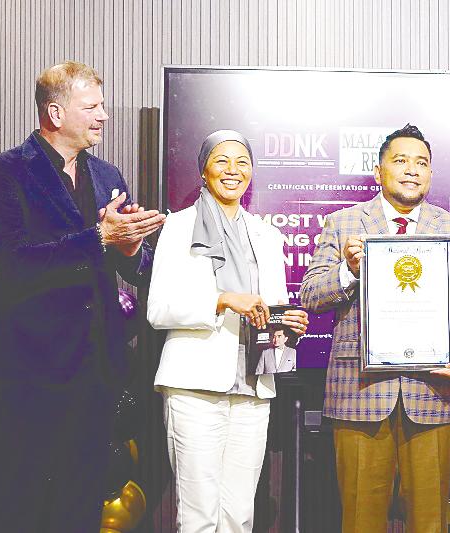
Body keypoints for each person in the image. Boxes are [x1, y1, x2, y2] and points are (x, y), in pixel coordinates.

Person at [0, 61, 165, 531]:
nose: (104, 116)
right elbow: (16, 261)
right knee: (22, 501)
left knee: (82, 502)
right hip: (31, 372)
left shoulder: (107, 175)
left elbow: (135, 270)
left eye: (102, 105)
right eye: (92, 107)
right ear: (55, 113)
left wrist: (132, 246)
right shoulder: (4, 173)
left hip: (98, 371)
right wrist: (99, 237)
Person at [300, 124, 450, 533]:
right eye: (400, 160)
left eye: (421, 163)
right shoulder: (344, 223)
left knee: (430, 521)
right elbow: (312, 296)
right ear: (378, 170)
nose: (411, 170)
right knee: (360, 519)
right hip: (359, 393)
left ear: (431, 174)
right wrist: (349, 272)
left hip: (435, 394)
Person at [147, 130, 308, 533]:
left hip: (254, 387)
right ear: (204, 171)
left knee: (239, 514)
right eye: (222, 161)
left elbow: (267, 310)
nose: (232, 171)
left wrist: (288, 325)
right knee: (199, 514)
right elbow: (158, 310)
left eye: (242, 162)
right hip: (195, 386)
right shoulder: (179, 227)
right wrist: (221, 300)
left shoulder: (267, 236)